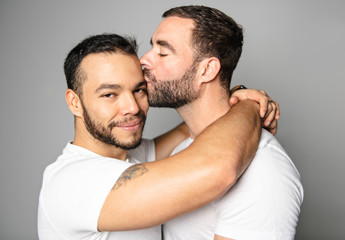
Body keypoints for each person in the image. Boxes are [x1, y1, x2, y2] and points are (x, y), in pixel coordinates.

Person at [37, 33, 278, 240]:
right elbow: (217, 169)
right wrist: (248, 106)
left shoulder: (131, 155)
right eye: (110, 95)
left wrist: (235, 93)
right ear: (74, 103)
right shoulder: (72, 183)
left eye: (138, 90)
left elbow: (194, 126)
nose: (132, 107)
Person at [140, 5, 304, 240]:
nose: (144, 59)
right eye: (151, 47)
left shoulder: (265, 171)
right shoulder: (182, 149)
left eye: (163, 52)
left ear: (207, 70)